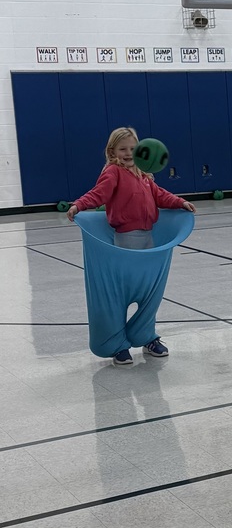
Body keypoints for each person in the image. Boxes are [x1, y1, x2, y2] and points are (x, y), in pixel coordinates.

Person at [67, 127, 196, 364]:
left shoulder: (143, 173)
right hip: (126, 240)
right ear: (112, 151)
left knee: (149, 291)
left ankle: (147, 337)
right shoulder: (113, 173)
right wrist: (78, 205)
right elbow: (98, 194)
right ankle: (117, 345)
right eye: (123, 149)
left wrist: (180, 202)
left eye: (133, 149)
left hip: (149, 239)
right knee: (123, 291)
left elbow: (160, 195)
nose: (128, 153)